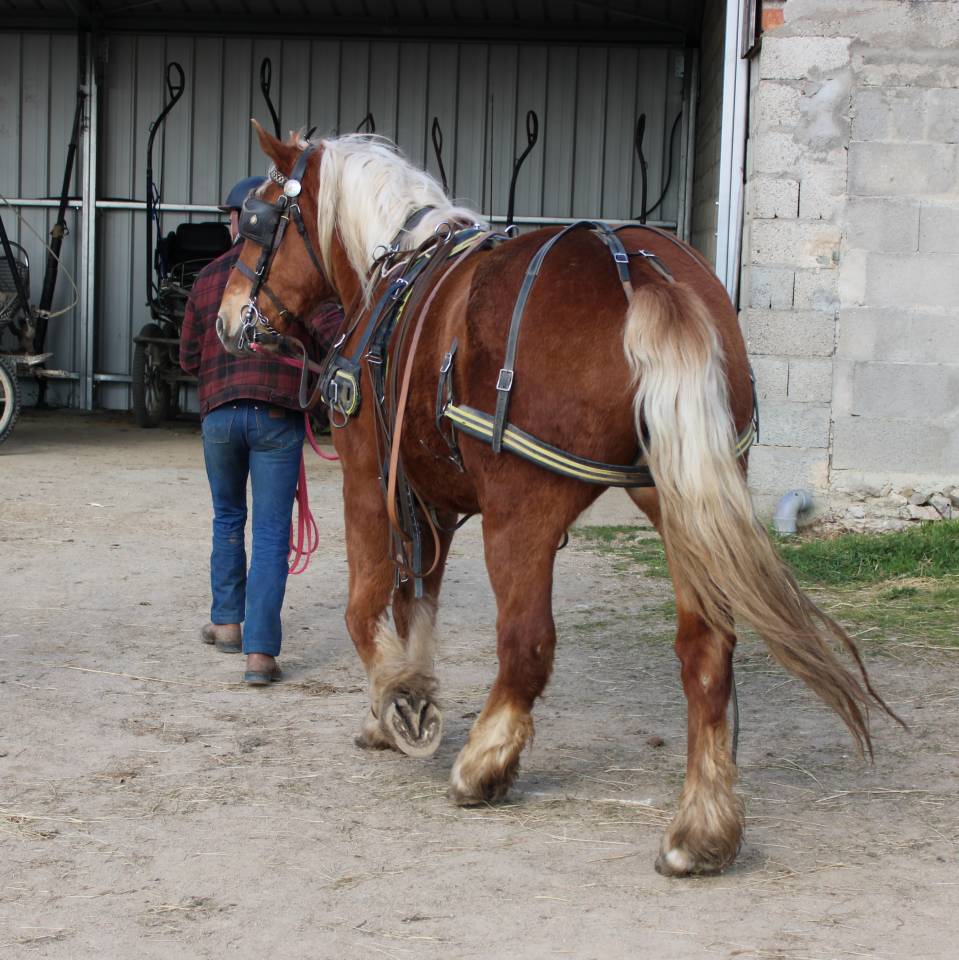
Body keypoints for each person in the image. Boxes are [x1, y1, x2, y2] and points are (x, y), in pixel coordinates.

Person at [180, 176, 342, 686]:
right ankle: (260, 656)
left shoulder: (208, 280)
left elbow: (186, 358)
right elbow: (335, 333)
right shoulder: (294, 275)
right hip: (276, 415)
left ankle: (227, 623)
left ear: (236, 220)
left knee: (228, 517)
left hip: (220, 417)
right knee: (272, 533)